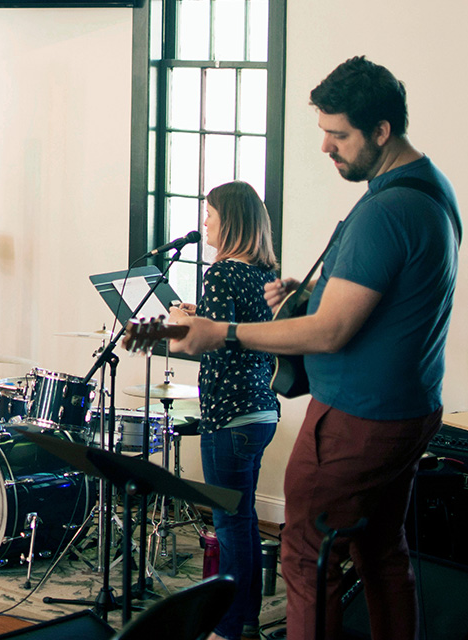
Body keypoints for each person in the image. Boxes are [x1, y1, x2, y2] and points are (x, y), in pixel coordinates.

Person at [171, 57, 459, 640]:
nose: (327, 147)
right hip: (410, 408)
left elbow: (331, 332)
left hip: (358, 419)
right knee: (381, 552)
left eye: (340, 134)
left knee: (306, 555)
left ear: (382, 130)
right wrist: (310, 292)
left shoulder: (387, 210)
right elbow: (381, 298)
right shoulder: (429, 188)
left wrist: (222, 333)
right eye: (323, 131)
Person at [170, 181, 279, 640]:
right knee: (245, 520)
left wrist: (180, 324)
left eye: (210, 213)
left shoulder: (220, 274)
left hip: (229, 415)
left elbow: (202, 342)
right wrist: (203, 314)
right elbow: (239, 331)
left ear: (229, 220)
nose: (205, 222)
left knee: (229, 523)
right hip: (262, 411)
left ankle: (229, 628)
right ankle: (248, 618)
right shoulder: (263, 273)